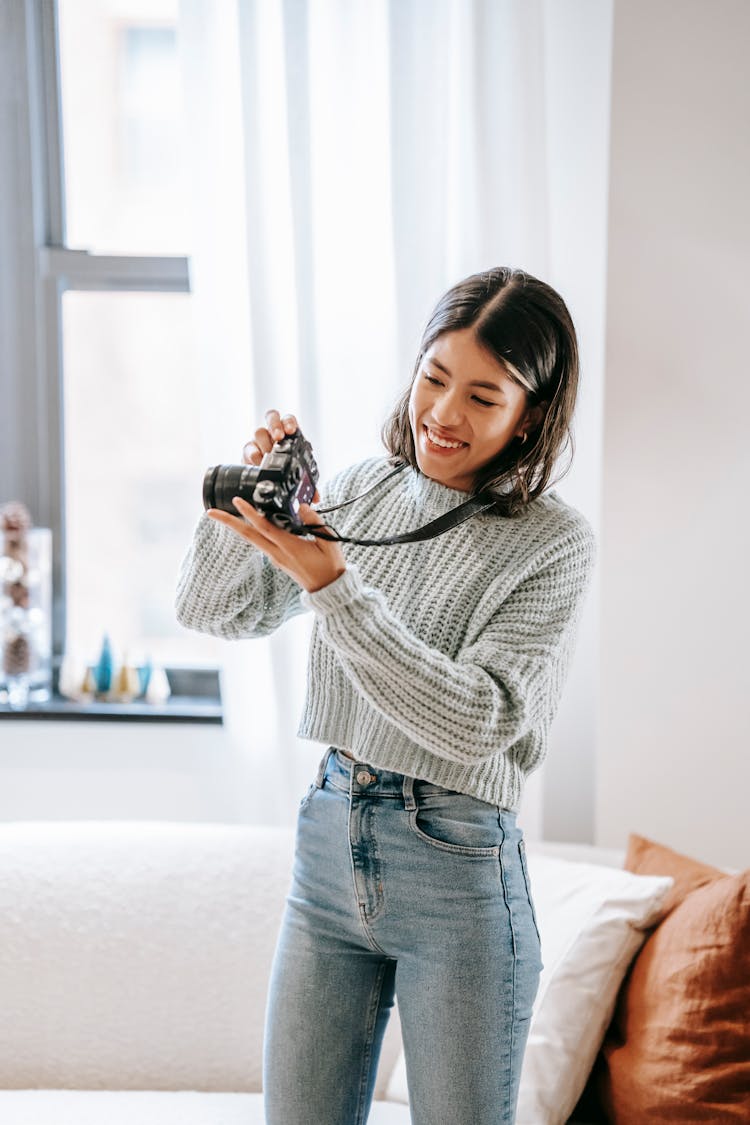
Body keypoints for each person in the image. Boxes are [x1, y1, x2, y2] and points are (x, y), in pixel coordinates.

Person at [175, 266, 596, 1125]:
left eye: (484, 395)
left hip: (458, 869)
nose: (443, 414)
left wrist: (335, 586)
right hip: (330, 843)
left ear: (531, 414)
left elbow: (476, 719)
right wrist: (249, 514)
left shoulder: (553, 544)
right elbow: (213, 610)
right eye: (434, 378)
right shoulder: (364, 490)